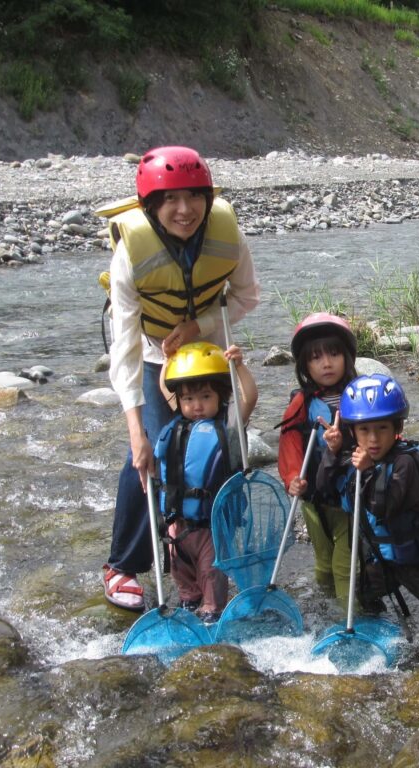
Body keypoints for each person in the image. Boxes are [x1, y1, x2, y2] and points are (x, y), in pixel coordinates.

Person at [100, 145, 260, 611]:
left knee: (215, 450)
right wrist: (135, 429)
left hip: (205, 354)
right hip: (152, 357)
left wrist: (198, 326)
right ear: (151, 206)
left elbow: (246, 296)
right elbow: (124, 349)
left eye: (194, 197)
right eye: (171, 200)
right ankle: (122, 565)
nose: (185, 210)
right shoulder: (131, 254)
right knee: (150, 454)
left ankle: (215, 547)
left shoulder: (227, 234)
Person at [318, 374, 419, 637]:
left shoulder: (408, 463)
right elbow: (325, 490)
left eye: (382, 428)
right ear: (352, 432)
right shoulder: (356, 460)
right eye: (364, 430)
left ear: (397, 427)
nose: (373, 439)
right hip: (379, 557)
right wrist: (332, 453)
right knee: (366, 599)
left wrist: (369, 471)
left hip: (416, 560)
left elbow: (384, 506)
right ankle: (384, 637)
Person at [154, 341, 257, 623]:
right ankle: (189, 606)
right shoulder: (177, 424)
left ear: (221, 396)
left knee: (211, 574)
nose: (196, 406)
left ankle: (212, 614)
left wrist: (239, 367)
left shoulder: (229, 426)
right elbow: (166, 387)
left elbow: (248, 397)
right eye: (188, 399)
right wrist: (168, 361)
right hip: (176, 523)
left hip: (211, 527)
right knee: (179, 571)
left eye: (205, 397)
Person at [277, 313, 358, 602]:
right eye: (316, 357)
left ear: (347, 357)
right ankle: (325, 611)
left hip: (351, 496)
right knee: (323, 560)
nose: (326, 363)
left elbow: (381, 437)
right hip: (314, 496)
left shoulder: (360, 394)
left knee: (344, 564)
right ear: (305, 366)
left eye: (334, 354)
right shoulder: (302, 403)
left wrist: (343, 444)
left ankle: (350, 617)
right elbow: (289, 445)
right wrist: (291, 479)